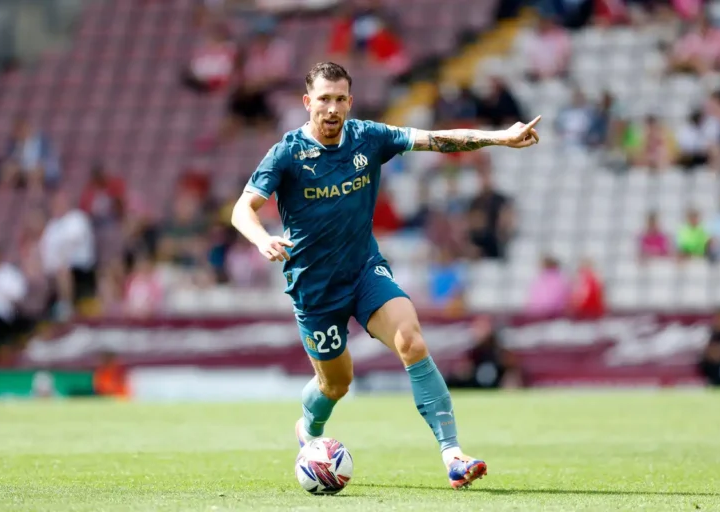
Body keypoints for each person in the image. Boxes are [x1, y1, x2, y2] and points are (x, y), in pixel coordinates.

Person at [230, 62, 541, 490]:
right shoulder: (286, 154)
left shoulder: (369, 137)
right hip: (315, 288)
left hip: (364, 271)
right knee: (336, 384)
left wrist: (500, 137)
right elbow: (241, 209)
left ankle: (452, 455)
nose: (332, 108)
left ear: (350, 101)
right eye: (323, 99)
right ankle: (308, 427)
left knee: (411, 340)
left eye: (340, 99)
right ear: (307, 102)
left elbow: (436, 140)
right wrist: (262, 238)